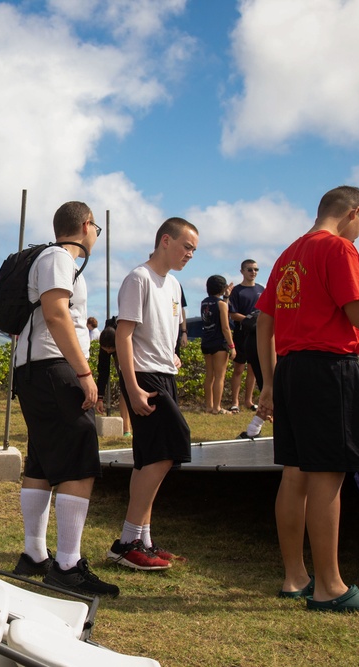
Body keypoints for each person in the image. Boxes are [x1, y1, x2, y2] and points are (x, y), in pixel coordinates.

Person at [255, 185, 359, 612]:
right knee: (328, 474)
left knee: (295, 474)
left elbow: (265, 321)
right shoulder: (339, 249)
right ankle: (330, 586)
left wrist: (269, 383)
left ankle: (296, 577)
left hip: (291, 369)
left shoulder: (289, 253)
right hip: (329, 369)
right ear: (354, 212)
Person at [10, 201, 119, 597]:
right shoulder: (58, 257)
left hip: (36, 367)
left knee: (40, 459)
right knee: (79, 460)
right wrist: (85, 373)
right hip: (53, 366)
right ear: (87, 225)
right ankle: (67, 565)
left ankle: (34, 555)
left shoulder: (48, 259)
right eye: (96, 230)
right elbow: (57, 315)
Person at [108, 217, 198, 571]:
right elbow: (123, 335)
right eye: (186, 246)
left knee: (148, 459)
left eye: (194, 249)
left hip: (165, 373)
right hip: (145, 378)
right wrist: (132, 388)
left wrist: (171, 353)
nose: (190, 254)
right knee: (171, 446)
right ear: (165, 240)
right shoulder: (138, 278)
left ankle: (142, 540)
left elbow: (165, 331)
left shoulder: (173, 284)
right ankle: (126, 542)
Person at [228, 259, 265, 413]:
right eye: (249, 269)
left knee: (253, 369)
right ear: (242, 271)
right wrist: (249, 319)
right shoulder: (237, 291)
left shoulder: (262, 289)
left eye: (256, 269)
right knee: (238, 368)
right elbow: (232, 314)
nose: (253, 272)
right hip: (241, 333)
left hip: (257, 334)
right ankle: (234, 402)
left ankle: (248, 401)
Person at [201, 275, 235, 414]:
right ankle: (217, 407)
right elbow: (225, 327)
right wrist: (232, 346)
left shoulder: (204, 302)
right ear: (222, 287)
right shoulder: (221, 304)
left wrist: (226, 297)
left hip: (206, 341)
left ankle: (209, 406)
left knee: (209, 375)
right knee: (220, 376)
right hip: (219, 343)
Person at [95, 325, 131, 436]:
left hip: (133, 359)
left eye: (110, 350)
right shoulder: (105, 347)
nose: (108, 353)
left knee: (128, 386)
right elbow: (103, 372)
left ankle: (130, 426)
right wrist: (99, 398)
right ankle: (126, 429)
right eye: (105, 350)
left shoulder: (124, 340)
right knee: (125, 388)